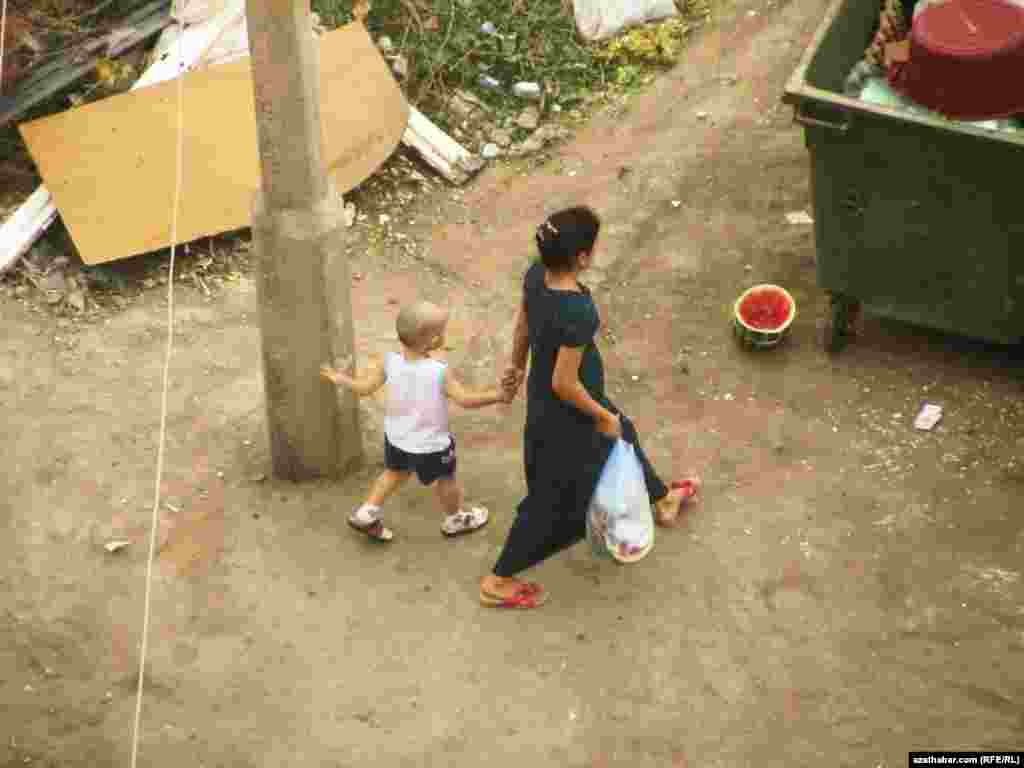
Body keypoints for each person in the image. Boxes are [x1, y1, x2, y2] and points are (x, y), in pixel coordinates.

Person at [480, 206, 700, 609]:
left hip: (553, 405)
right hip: (568, 414)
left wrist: (514, 365)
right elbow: (564, 383)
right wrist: (601, 416)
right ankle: (498, 578)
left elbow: (523, 326)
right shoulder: (579, 308)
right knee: (549, 499)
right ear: (582, 257)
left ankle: (663, 498)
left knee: (624, 433)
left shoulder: (534, 276)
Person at [321, 300, 509, 542]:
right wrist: (498, 395)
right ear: (433, 341)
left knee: (394, 473)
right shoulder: (439, 371)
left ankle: (367, 512)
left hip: (397, 438)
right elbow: (465, 400)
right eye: (441, 331)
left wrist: (340, 379)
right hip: (431, 445)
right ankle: (456, 519)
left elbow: (364, 388)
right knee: (446, 479)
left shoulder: (389, 361)